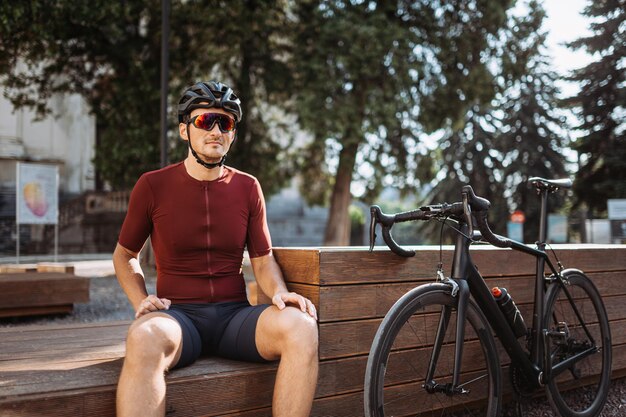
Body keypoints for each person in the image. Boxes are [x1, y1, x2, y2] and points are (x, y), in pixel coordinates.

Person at [113, 81, 319, 417]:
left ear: (233, 134)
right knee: (144, 336)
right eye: (204, 121)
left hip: (234, 320)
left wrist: (280, 293)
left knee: (303, 327)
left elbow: (263, 259)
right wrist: (142, 301)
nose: (216, 130)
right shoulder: (152, 185)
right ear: (184, 130)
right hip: (178, 317)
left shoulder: (248, 187)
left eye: (225, 123)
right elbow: (124, 255)